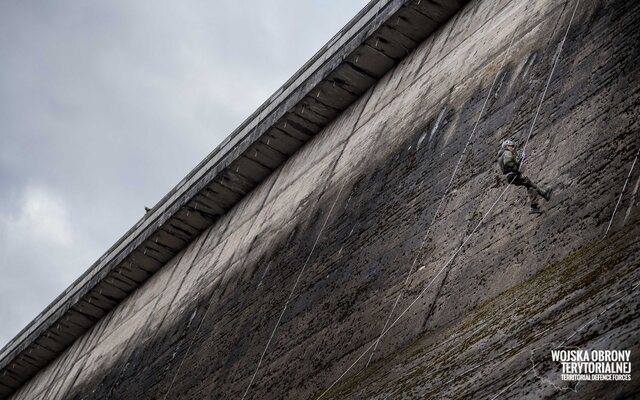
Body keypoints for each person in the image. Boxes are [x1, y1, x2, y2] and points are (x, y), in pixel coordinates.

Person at [497, 139, 551, 214]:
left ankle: (544, 193)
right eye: (511, 146)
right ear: (506, 147)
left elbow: (509, 164)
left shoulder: (501, 156)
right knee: (530, 186)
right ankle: (534, 206)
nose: (513, 147)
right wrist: (515, 168)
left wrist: (519, 160)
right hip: (513, 175)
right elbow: (508, 162)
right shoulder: (507, 152)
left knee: (529, 184)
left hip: (510, 176)